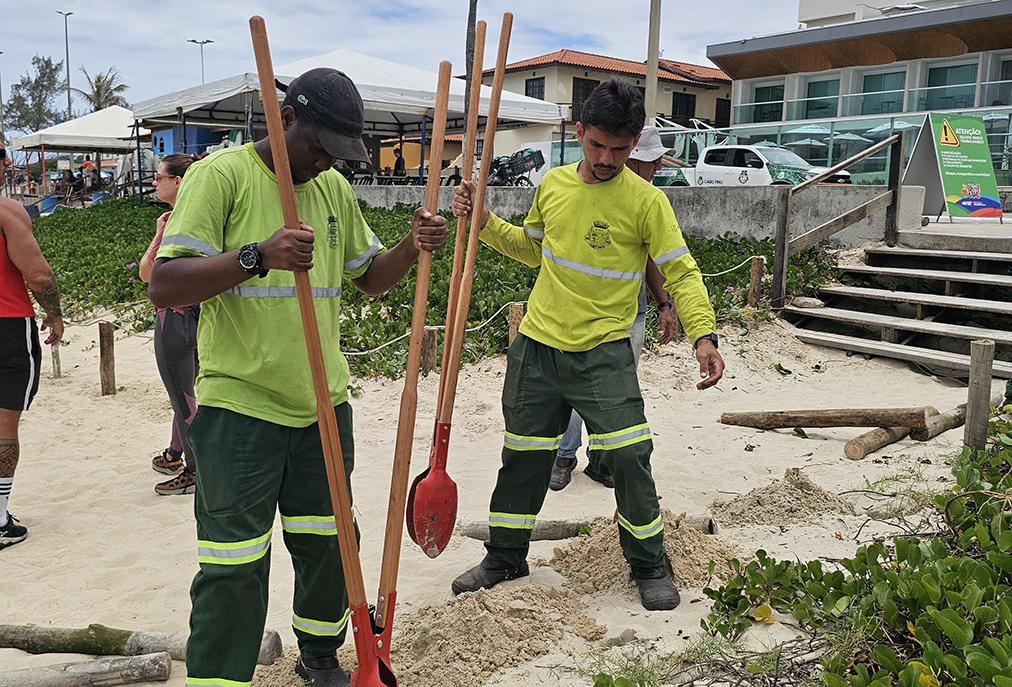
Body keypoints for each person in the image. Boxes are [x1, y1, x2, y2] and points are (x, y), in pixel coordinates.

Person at [148, 68, 449, 687]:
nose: (324, 163)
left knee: (330, 547)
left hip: (322, 406)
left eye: (338, 154)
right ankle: (220, 679)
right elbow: (165, 283)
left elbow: (370, 277)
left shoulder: (332, 190)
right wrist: (258, 256)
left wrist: (411, 246)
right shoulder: (220, 176)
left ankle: (321, 657)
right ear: (286, 119)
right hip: (240, 408)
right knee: (234, 564)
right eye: (318, 147)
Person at [450, 79, 724, 611]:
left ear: (635, 141)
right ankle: (506, 556)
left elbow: (681, 273)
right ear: (579, 132)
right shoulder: (552, 185)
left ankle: (648, 563)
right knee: (523, 456)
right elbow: (531, 250)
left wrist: (703, 335)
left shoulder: (647, 202)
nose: (606, 158)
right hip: (537, 348)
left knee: (628, 454)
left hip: (603, 352)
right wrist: (482, 222)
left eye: (620, 149)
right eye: (597, 145)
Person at [551, 126, 678, 491]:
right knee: (577, 388)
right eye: (653, 163)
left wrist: (664, 303)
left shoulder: (647, 201)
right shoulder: (583, 190)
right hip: (581, 314)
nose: (655, 170)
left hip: (630, 313)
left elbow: (653, 259)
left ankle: (601, 459)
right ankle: (563, 454)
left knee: (616, 389)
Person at [0, 140, 64, 549]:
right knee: (4, 423)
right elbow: (38, 274)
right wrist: (55, 313)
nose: (8, 162)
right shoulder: (7, 210)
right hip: (6, 323)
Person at [139, 153, 202, 496]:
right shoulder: (205, 215)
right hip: (201, 317)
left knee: (183, 397)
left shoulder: (172, 221)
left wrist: (157, 234)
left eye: (159, 177)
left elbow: (148, 273)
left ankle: (195, 471)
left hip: (174, 318)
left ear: (177, 182)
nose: (154, 182)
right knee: (190, 391)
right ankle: (175, 452)